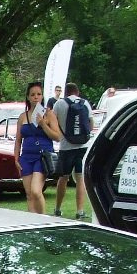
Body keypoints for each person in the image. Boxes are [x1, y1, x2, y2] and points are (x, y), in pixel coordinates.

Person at [16, 81, 60, 214]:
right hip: (26, 157)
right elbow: (18, 140)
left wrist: (43, 124)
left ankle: (43, 218)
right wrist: (16, 158)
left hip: (42, 156)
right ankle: (32, 222)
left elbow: (57, 136)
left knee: (36, 191)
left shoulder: (49, 113)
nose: (36, 97)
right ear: (28, 97)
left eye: (39, 94)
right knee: (29, 194)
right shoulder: (23, 116)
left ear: (42, 97)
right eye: (33, 94)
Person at [52, 82, 92, 219]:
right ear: (77, 91)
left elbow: (52, 122)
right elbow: (91, 124)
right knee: (80, 178)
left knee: (63, 178)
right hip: (82, 146)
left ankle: (57, 209)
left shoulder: (59, 104)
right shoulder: (85, 103)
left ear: (65, 92)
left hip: (66, 147)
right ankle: (80, 211)